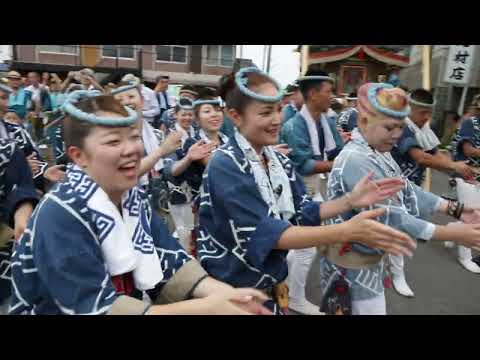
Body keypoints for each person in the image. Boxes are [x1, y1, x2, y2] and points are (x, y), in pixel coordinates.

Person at [9, 89, 272, 315]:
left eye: (134, 137)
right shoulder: (60, 214)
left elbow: (172, 261)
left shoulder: (132, 198)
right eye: (113, 141)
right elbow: (95, 308)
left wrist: (233, 298)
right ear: (78, 156)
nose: (131, 149)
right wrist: (208, 307)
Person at [197, 67, 416, 314]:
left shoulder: (277, 160)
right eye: (266, 112)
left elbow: (303, 211)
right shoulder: (225, 164)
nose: (278, 119)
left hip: (267, 287)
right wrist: (344, 231)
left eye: (279, 109)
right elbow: (269, 235)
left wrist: (349, 201)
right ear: (236, 116)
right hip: (231, 291)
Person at [320, 83, 480, 315]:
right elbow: (390, 217)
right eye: (389, 127)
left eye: (400, 127)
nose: (396, 134)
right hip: (350, 263)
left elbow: (404, 187)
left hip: (366, 258)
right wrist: (450, 233)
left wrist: (455, 208)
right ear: (364, 121)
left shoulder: (376, 150)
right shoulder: (356, 159)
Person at [389, 89, 479, 295]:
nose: (427, 117)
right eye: (422, 113)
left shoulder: (424, 128)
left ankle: (394, 267)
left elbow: (436, 155)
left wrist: (456, 168)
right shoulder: (402, 126)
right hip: (391, 187)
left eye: (429, 113)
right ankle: (396, 274)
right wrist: (456, 167)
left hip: (413, 189)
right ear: (410, 109)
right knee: (397, 232)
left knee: (406, 231)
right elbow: (421, 158)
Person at [164, 96, 228, 252]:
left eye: (218, 111)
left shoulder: (228, 140)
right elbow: (169, 171)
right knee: (198, 246)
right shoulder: (193, 143)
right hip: (199, 207)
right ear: (197, 120)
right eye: (207, 111)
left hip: (224, 205)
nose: (214, 115)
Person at [0, 83, 39, 315]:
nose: (2, 102)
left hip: (7, 227)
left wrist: (43, 172)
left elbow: (31, 168)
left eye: (4, 97)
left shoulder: (14, 137)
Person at [448, 94, 480, 273]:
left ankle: (451, 230)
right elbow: (469, 150)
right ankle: (465, 257)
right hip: (466, 174)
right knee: (471, 216)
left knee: (475, 215)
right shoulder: (470, 122)